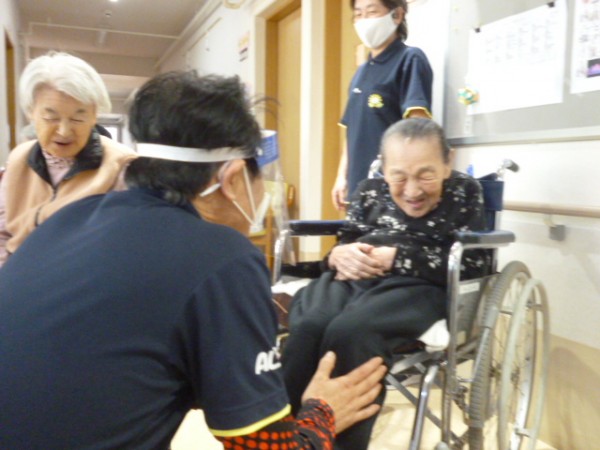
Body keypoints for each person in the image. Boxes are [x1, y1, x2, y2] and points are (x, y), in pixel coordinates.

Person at [0, 71, 387, 450]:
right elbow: (265, 448)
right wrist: (322, 412)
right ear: (232, 177)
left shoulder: (68, 219)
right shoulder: (223, 258)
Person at [283, 119, 490, 449]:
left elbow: (474, 265)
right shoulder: (369, 189)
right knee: (310, 324)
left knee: (352, 331)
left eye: (426, 175)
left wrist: (399, 258)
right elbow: (346, 240)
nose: (412, 191)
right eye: (399, 177)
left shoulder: (465, 192)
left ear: (447, 162)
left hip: (419, 284)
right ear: (384, 169)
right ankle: (285, 439)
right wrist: (338, 255)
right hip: (355, 276)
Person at [0, 51, 136, 268]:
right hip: (17, 274)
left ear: (94, 115)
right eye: (51, 117)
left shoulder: (121, 166)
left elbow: (124, 247)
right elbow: (3, 233)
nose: (64, 131)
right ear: (31, 112)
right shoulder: (19, 159)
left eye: (77, 118)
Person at [332, 0, 434, 210]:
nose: (363, 20)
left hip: (394, 193)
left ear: (397, 15)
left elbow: (419, 130)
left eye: (371, 12)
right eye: (358, 14)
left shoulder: (410, 59)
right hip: (358, 190)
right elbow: (352, 131)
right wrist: (341, 176)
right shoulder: (361, 73)